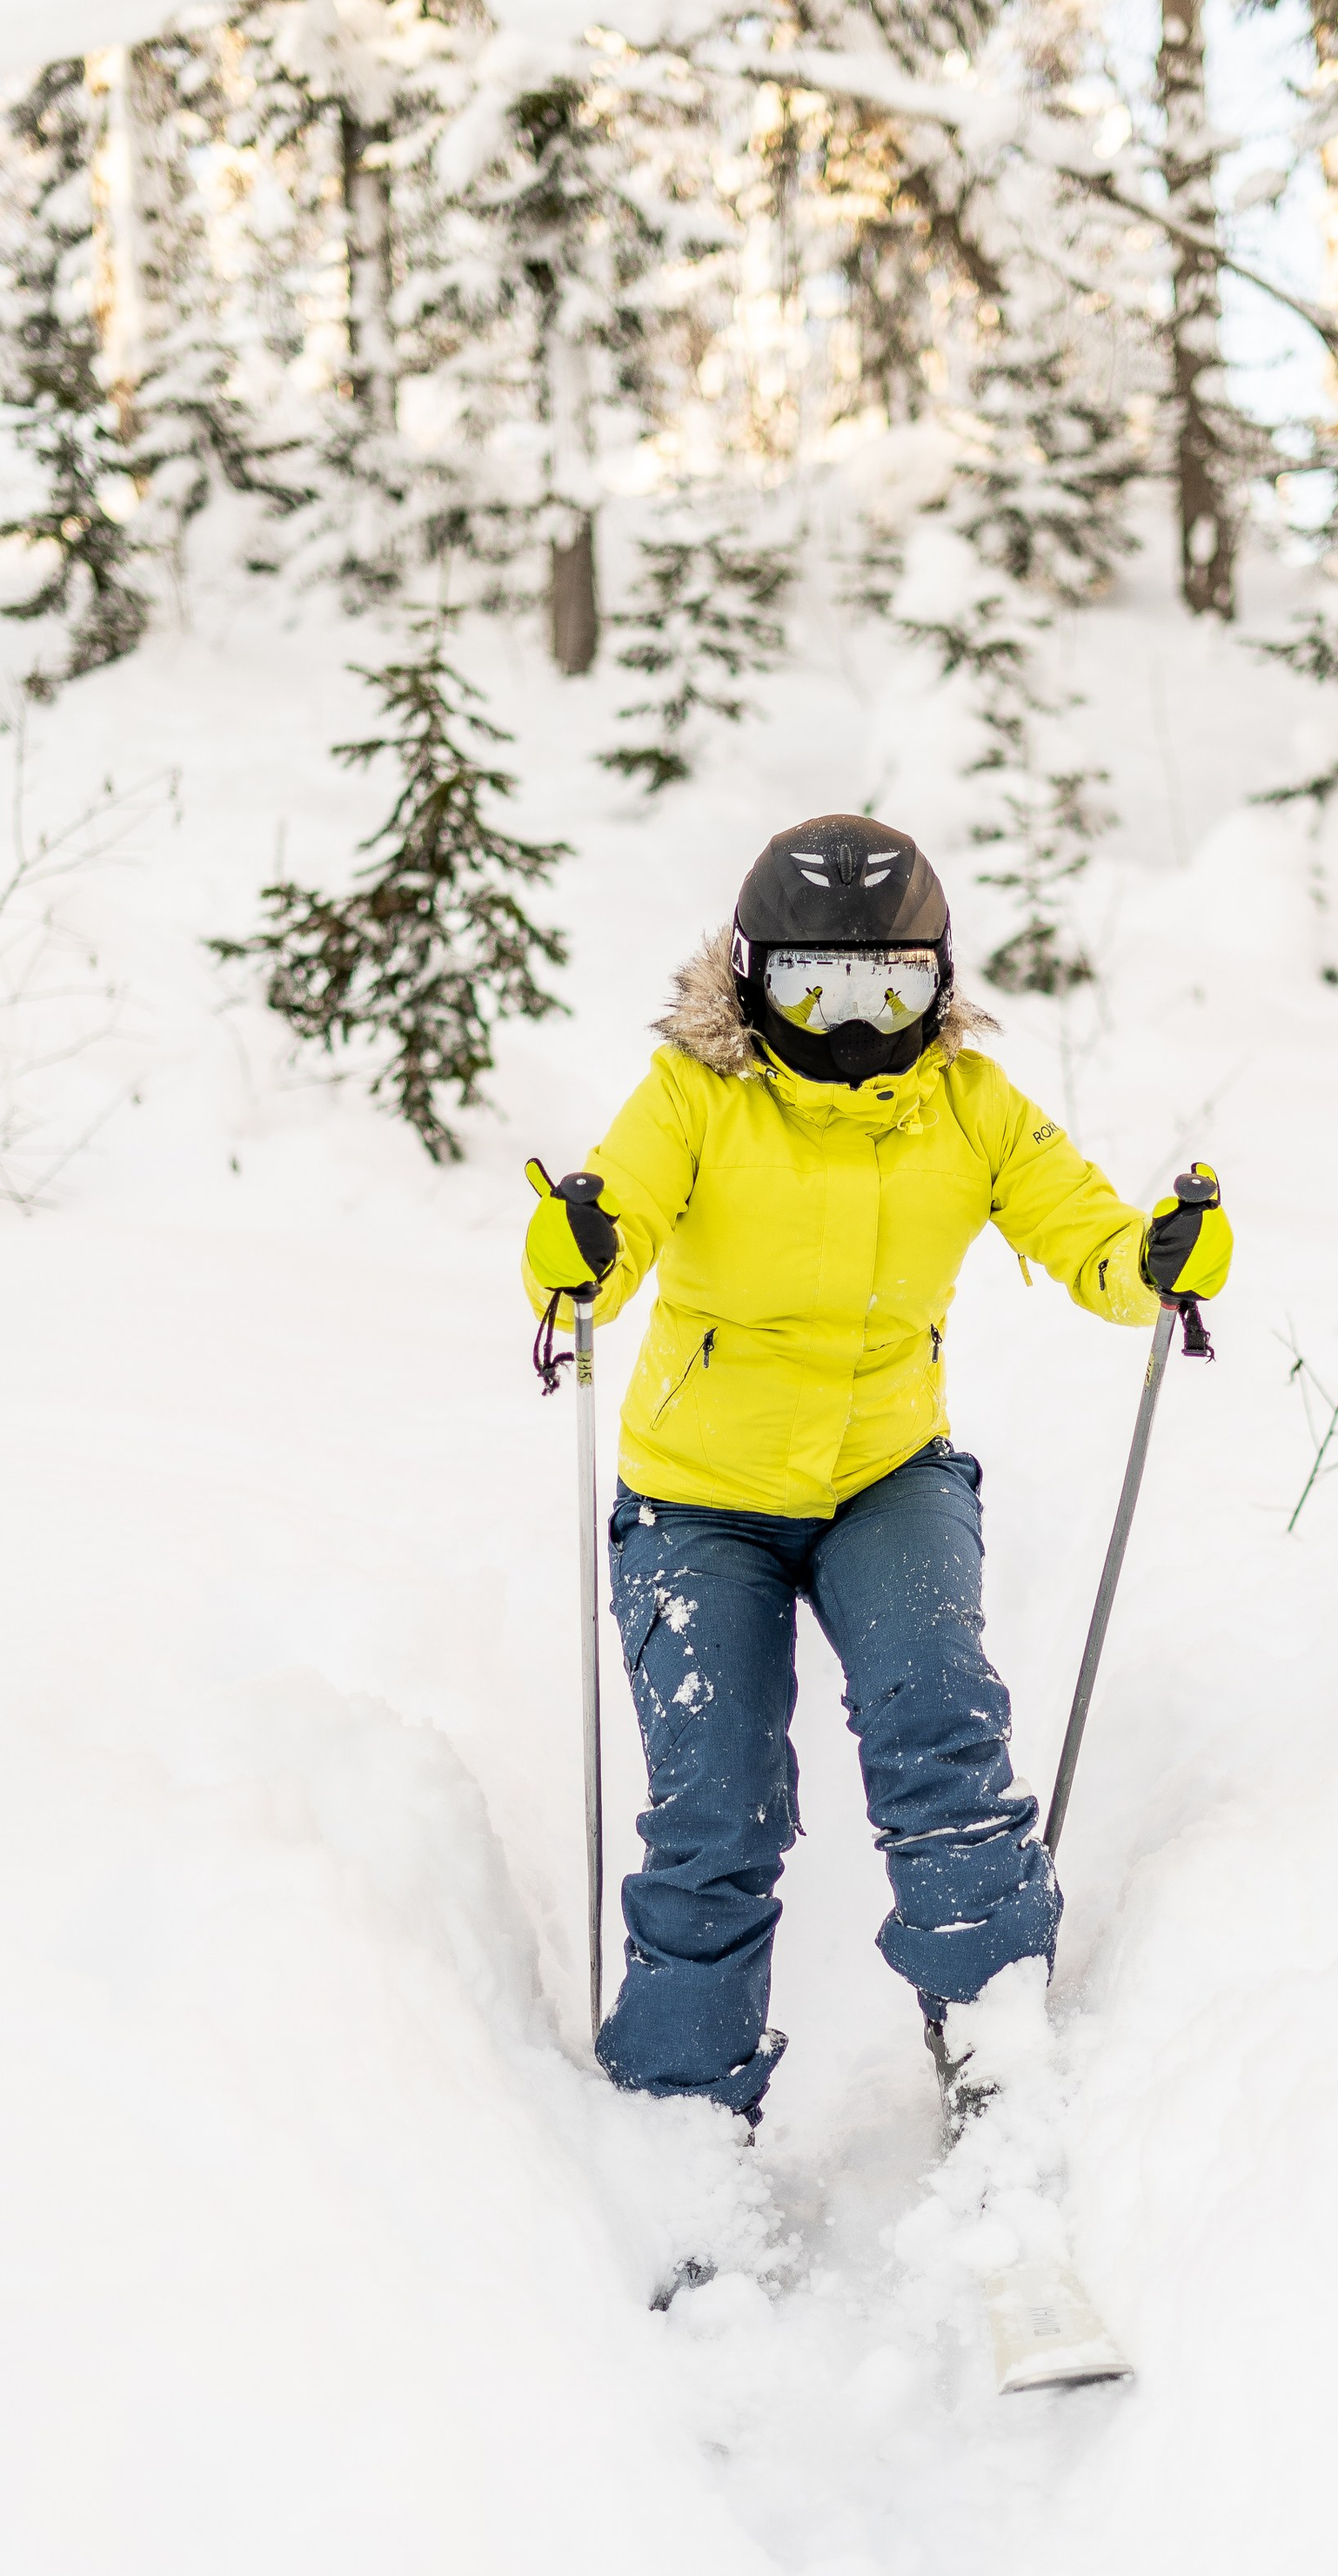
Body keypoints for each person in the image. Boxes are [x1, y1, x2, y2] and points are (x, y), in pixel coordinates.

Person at [521, 813, 1233, 2117]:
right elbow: (613, 1217)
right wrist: (576, 1252)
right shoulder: (696, 1094)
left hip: (884, 1475)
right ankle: (682, 2108)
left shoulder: (970, 1106)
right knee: (715, 1800)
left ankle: (995, 2054)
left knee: (940, 1727)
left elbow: (1088, 1238)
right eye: (815, 985)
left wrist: (1154, 1264)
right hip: (697, 1500)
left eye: (889, 984)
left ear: (938, 980)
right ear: (750, 980)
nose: (854, 1021)